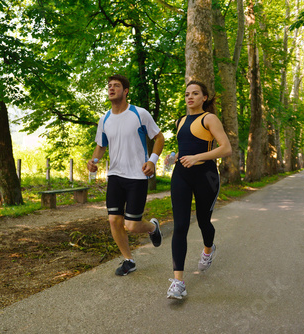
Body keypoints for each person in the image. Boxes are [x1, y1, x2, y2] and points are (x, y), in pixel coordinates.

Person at [87, 74, 165, 276]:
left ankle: (152, 228)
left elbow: (159, 137)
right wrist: (93, 162)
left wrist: (152, 161)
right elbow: (100, 146)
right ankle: (129, 260)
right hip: (115, 176)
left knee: (131, 225)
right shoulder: (104, 119)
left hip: (137, 176)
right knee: (114, 220)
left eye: (117, 85)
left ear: (126, 90)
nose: (111, 88)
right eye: (109, 86)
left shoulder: (139, 114)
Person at [166, 80, 232, 299]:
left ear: (204, 97)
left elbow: (226, 148)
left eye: (195, 93)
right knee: (181, 225)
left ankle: (208, 249)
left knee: (204, 221)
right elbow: (184, 148)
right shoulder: (180, 120)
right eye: (187, 94)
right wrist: (174, 157)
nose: (190, 97)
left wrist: (197, 158)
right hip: (181, 176)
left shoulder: (209, 118)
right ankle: (178, 282)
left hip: (206, 177)